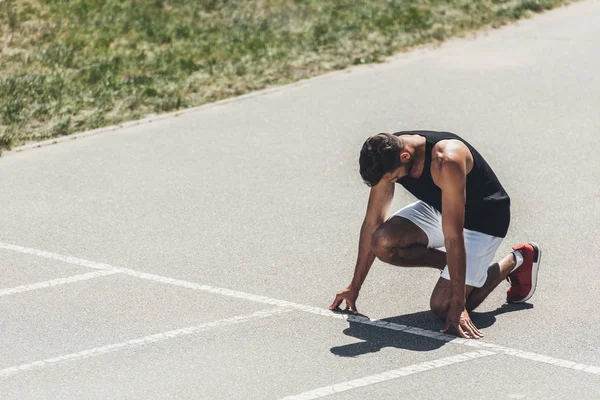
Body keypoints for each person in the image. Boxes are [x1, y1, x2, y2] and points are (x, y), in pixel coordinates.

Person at [329, 130, 541, 339]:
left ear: (405, 156)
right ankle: (458, 270)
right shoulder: (385, 154)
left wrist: (459, 303)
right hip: (439, 208)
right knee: (382, 242)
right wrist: (354, 285)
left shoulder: (446, 160)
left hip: (483, 221)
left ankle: (518, 259)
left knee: (444, 306)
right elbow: (372, 222)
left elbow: (453, 236)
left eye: (394, 179)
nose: (392, 182)